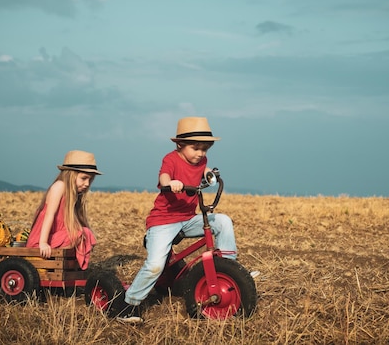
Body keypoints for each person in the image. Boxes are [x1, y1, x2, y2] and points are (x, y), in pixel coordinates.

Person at [117, 117, 237, 323]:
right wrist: (170, 183)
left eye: (205, 149)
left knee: (223, 221)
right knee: (155, 264)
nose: (200, 154)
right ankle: (128, 305)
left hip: (187, 219)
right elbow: (164, 176)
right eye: (196, 148)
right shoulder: (171, 159)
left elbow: (203, 171)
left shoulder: (202, 161)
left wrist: (209, 175)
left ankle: (229, 269)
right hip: (163, 221)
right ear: (180, 145)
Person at [26, 150, 101, 270]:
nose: (87, 183)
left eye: (90, 180)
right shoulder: (59, 186)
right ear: (71, 174)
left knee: (86, 232)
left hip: (58, 236)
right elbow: (49, 216)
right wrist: (43, 243)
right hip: (44, 239)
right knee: (80, 233)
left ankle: (69, 264)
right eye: (84, 178)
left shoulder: (75, 194)